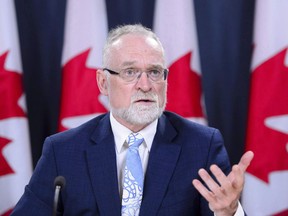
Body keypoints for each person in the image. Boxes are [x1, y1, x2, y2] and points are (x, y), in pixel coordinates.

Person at [11, 24, 253, 216]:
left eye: (155, 72)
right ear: (103, 83)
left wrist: (229, 213)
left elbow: (222, 209)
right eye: (130, 72)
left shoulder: (202, 145)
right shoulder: (62, 151)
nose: (146, 85)